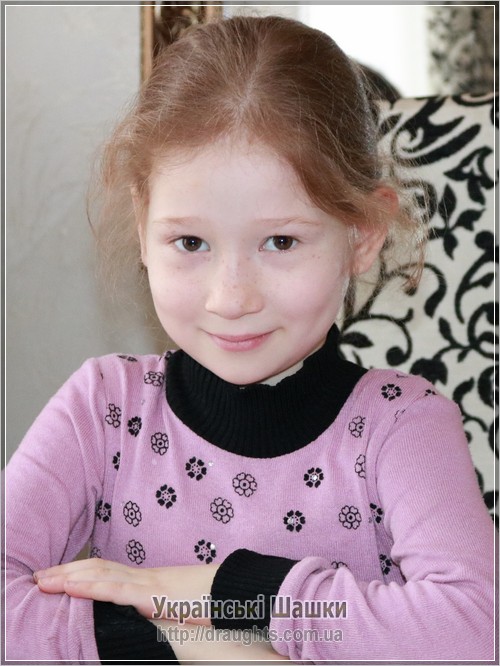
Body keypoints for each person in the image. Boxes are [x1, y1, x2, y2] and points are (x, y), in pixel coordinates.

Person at [4, 14, 494, 664]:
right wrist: (186, 642)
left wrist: (228, 593)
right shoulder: (103, 408)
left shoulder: (402, 427)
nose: (230, 298)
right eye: (190, 242)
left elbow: (474, 629)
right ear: (143, 225)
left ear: (363, 235)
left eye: (281, 241)